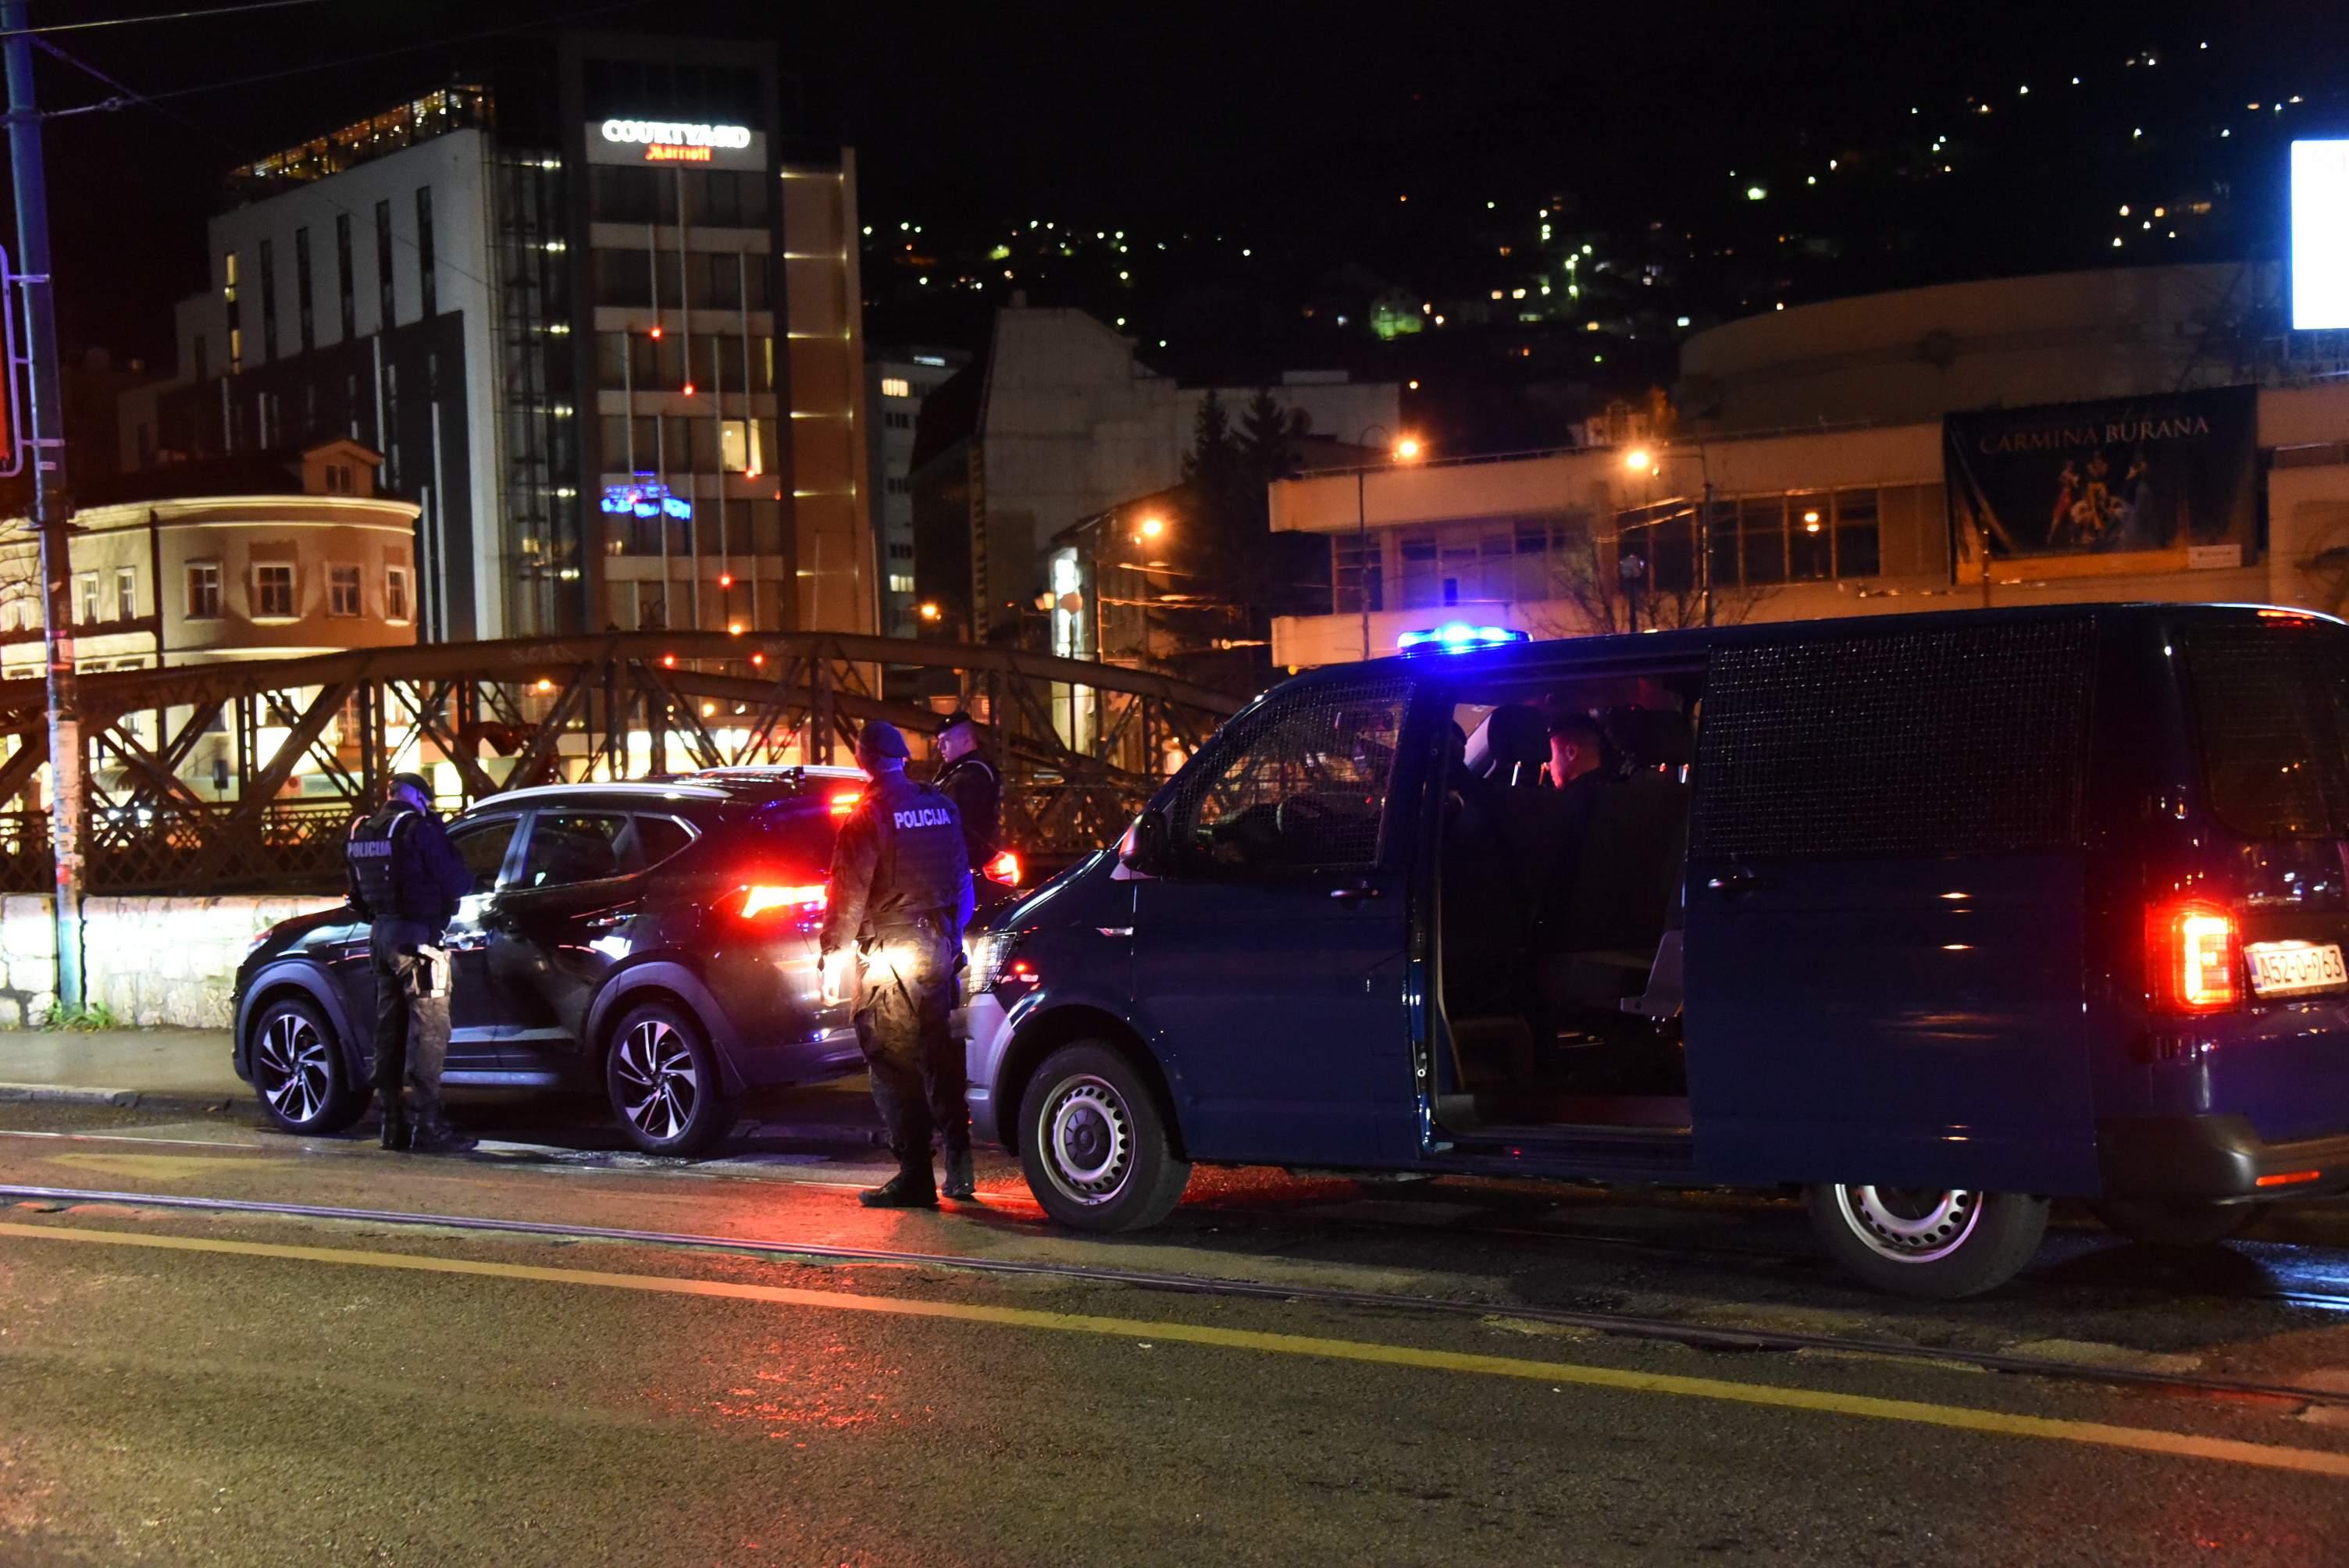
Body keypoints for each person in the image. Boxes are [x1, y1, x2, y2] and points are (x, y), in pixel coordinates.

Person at [820, 721, 978, 1207]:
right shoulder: (940, 806)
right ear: (904, 759)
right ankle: (960, 1162)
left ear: (863, 761)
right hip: (938, 946)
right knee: (938, 1053)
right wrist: (952, 938)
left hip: (889, 954)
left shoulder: (867, 816)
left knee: (890, 1059)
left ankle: (914, 1175)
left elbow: (847, 895)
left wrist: (831, 956)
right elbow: (962, 881)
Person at [344, 772, 475, 1153]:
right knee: (430, 1032)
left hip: (381, 938)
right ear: (418, 796)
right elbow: (458, 883)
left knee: (389, 1030)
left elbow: (357, 895)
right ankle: (429, 1125)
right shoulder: (418, 829)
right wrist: (436, 826)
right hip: (418, 940)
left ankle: (392, 1123)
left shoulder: (363, 831)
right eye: (427, 801)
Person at [932, 710, 1003, 873]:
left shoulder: (972, 775)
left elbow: (956, 824)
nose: (940, 747)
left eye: (946, 740)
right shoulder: (962, 771)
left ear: (966, 739)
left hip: (966, 865)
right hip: (965, 863)